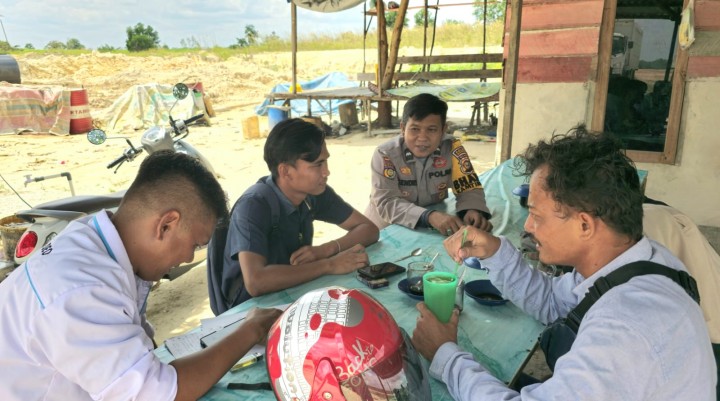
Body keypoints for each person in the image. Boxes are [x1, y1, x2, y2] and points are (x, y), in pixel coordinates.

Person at [412, 126, 716, 400]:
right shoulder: (634, 261)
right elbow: (553, 302)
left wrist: (446, 356)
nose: (528, 226)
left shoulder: (626, 327)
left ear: (584, 225)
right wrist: (494, 252)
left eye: (537, 215)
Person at [0, 150, 283, 401]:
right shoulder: (82, 289)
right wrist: (251, 331)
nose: (187, 257)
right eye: (195, 244)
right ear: (166, 225)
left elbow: (141, 350)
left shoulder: (95, 240)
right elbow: (155, 393)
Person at [208, 118, 379, 314]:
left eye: (326, 161)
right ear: (286, 171)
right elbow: (256, 281)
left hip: (293, 294)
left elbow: (369, 230)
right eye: (318, 164)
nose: (327, 172)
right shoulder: (254, 205)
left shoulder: (314, 193)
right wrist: (329, 264)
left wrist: (326, 249)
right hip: (250, 313)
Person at [364, 93, 492, 235]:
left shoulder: (453, 149)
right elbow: (386, 203)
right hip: (385, 229)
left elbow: (467, 186)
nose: (422, 138)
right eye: (415, 129)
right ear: (402, 128)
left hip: (429, 230)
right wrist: (429, 216)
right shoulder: (385, 154)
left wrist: (472, 209)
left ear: (443, 130)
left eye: (431, 129)